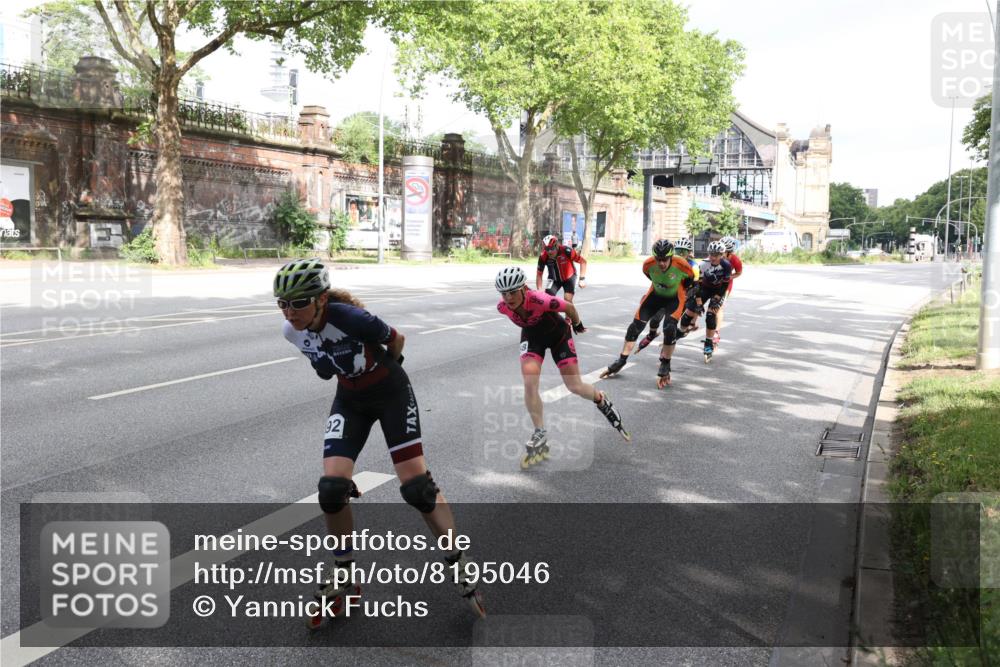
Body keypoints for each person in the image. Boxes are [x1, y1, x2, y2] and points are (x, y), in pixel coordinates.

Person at [274, 258, 485, 628]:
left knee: (417, 487)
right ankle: (344, 572)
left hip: (391, 394)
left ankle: (457, 559)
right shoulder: (292, 332)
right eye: (283, 304)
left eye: (300, 302)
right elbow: (326, 371)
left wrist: (387, 371)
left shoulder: (352, 319)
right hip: (351, 400)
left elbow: (396, 340)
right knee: (331, 489)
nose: (290, 312)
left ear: (321, 299)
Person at [495, 266, 630, 469]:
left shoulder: (541, 299)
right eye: (504, 293)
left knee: (574, 386)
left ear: (524, 289)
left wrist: (577, 324)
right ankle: (539, 433)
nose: (508, 298)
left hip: (558, 336)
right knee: (530, 383)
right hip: (532, 339)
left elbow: (569, 307)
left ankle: (601, 400)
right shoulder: (502, 307)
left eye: (513, 292)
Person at [600, 239, 695, 389]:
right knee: (634, 327)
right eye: (659, 260)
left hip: (675, 298)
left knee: (669, 329)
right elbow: (650, 277)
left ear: (671, 257)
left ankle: (665, 364)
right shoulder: (648, 265)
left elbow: (690, 281)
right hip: (655, 295)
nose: (662, 263)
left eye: (665, 260)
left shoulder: (682, 265)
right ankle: (621, 360)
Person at [634, 236, 699, 353]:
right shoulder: (670, 262)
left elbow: (695, 286)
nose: (680, 254)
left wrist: (694, 308)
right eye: (678, 251)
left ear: (689, 253)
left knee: (669, 327)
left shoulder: (693, 266)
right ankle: (652, 334)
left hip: (681, 298)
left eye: (683, 252)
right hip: (664, 295)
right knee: (655, 319)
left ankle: (667, 349)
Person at [677, 241, 733, 362]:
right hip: (704, 288)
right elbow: (697, 284)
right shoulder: (703, 264)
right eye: (711, 254)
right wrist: (698, 302)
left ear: (722, 255)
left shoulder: (727, 265)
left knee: (710, 315)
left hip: (718, 290)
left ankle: (708, 343)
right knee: (690, 311)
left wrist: (718, 297)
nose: (713, 257)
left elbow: (725, 284)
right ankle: (680, 331)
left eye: (716, 255)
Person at [536, 234, 588, 303]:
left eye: (552, 248)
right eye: (547, 249)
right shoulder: (543, 256)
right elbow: (539, 274)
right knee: (547, 300)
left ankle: (571, 313)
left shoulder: (567, 251)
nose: (549, 252)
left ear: (557, 246)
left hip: (569, 278)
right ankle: (553, 314)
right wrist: (539, 290)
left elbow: (583, 262)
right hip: (554, 279)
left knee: (567, 300)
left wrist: (582, 279)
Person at [713, 236, 743, 347]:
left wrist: (729, 277)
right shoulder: (715, 255)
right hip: (712, 283)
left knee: (719, 308)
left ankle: (716, 332)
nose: (720, 253)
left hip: (725, 286)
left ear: (729, 252)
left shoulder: (735, 260)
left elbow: (739, 273)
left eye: (723, 252)